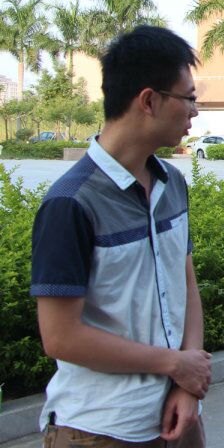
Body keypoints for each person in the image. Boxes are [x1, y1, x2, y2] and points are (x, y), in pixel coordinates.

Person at [31, 26, 209, 447]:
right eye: (188, 98)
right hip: (99, 430)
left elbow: (185, 284)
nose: (195, 112)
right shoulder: (70, 204)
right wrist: (174, 365)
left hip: (179, 416)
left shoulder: (172, 185)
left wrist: (188, 384)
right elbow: (60, 337)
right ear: (149, 101)